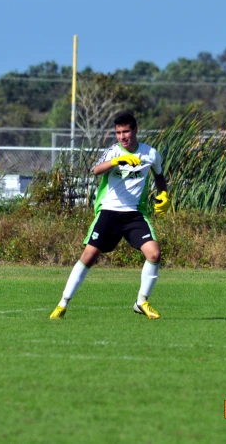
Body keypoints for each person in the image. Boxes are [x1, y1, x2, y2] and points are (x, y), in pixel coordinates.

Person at [50, 112, 169, 320]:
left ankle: (141, 302)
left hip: (134, 214)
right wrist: (118, 161)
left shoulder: (150, 153)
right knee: (89, 256)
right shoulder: (113, 152)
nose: (122, 136)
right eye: (118, 132)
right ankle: (62, 304)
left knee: (154, 254)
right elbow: (96, 170)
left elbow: (159, 176)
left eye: (126, 131)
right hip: (109, 212)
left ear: (135, 130)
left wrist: (164, 194)